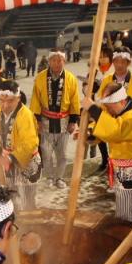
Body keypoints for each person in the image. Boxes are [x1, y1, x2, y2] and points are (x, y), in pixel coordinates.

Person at [83, 83, 132, 223]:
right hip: (128, 166)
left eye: (110, 107)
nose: (108, 110)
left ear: (122, 101)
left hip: (131, 170)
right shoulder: (121, 110)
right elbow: (106, 123)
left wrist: (93, 109)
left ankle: (130, 236)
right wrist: (88, 133)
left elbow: (114, 131)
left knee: (126, 212)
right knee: (131, 208)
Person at [29, 49, 79, 189]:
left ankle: (60, 178)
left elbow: (75, 101)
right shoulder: (40, 78)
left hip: (64, 121)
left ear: (65, 61)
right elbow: (35, 100)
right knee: (46, 153)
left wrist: (73, 121)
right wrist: (37, 120)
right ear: (49, 61)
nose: (57, 63)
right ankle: (50, 177)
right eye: (54, 60)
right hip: (45, 121)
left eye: (60, 60)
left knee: (62, 154)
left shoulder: (70, 78)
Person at [0, 80, 41, 210]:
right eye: (1, 101)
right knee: (10, 196)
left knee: (27, 200)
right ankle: (14, 223)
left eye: (10, 101)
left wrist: (9, 158)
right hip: (7, 160)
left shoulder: (25, 115)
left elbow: (30, 143)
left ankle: (30, 225)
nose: (5, 105)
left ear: (18, 98)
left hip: (26, 162)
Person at [98, 46, 132, 131]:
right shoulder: (107, 80)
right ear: (113, 62)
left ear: (128, 63)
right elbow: (102, 106)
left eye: (123, 62)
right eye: (116, 61)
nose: (119, 65)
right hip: (114, 127)